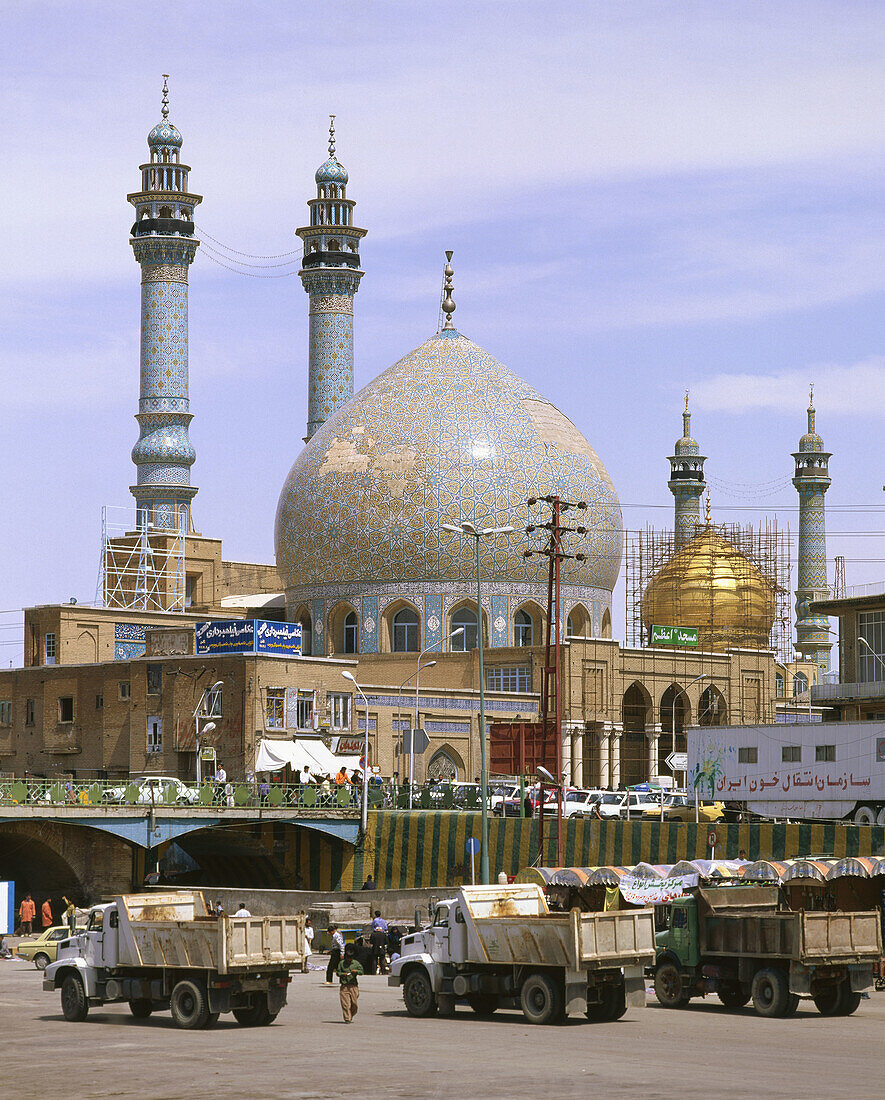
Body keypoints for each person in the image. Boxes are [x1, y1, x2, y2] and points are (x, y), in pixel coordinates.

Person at [337, 943, 363, 1023]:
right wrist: (343, 974)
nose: (349, 959)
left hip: (353, 986)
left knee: (354, 1004)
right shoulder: (341, 963)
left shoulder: (356, 963)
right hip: (344, 986)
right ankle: (347, 1018)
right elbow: (338, 973)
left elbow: (361, 971)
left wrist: (356, 971)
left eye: (351, 958)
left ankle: (351, 1014)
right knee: (345, 1004)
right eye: (348, 958)